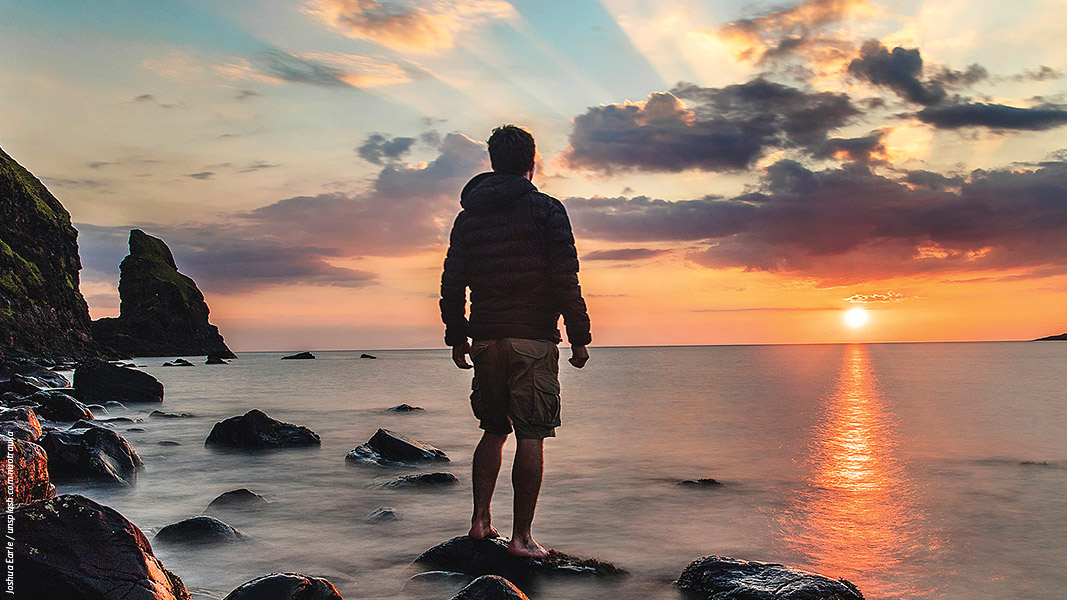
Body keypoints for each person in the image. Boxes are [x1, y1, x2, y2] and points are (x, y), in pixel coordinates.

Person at [440, 124, 591, 558]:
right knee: (531, 434)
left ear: (492, 162)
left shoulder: (469, 217)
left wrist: (457, 335)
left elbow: (453, 281)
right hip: (532, 339)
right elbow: (565, 275)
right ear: (532, 161)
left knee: (492, 429)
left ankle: (480, 521)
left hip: (486, 339)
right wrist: (579, 337)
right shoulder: (546, 209)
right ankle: (522, 539)